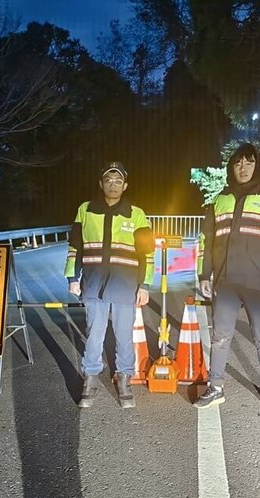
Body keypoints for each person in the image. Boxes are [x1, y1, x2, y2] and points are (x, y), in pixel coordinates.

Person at [195, 143, 260, 416]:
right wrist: (204, 274)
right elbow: (206, 240)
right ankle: (215, 387)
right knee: (220, 337)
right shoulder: (220, 199)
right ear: (231, 167)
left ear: (257, 165)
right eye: (238, 163)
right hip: (226, 282)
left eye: (249, 163)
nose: (243, 168)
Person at [65, 161, 154, 409]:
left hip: (125, 285)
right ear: (101, 184)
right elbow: (75, 246)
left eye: (118, 181)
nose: (113, 185)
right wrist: (73, 278)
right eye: (108, 180)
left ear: (125, 185)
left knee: (124, 336)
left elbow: (147, 253)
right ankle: (90, 378)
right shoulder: (86, 209)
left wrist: (145, 284)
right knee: (94, 334)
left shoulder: (136, 214)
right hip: (93, 284)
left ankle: (125, 378)